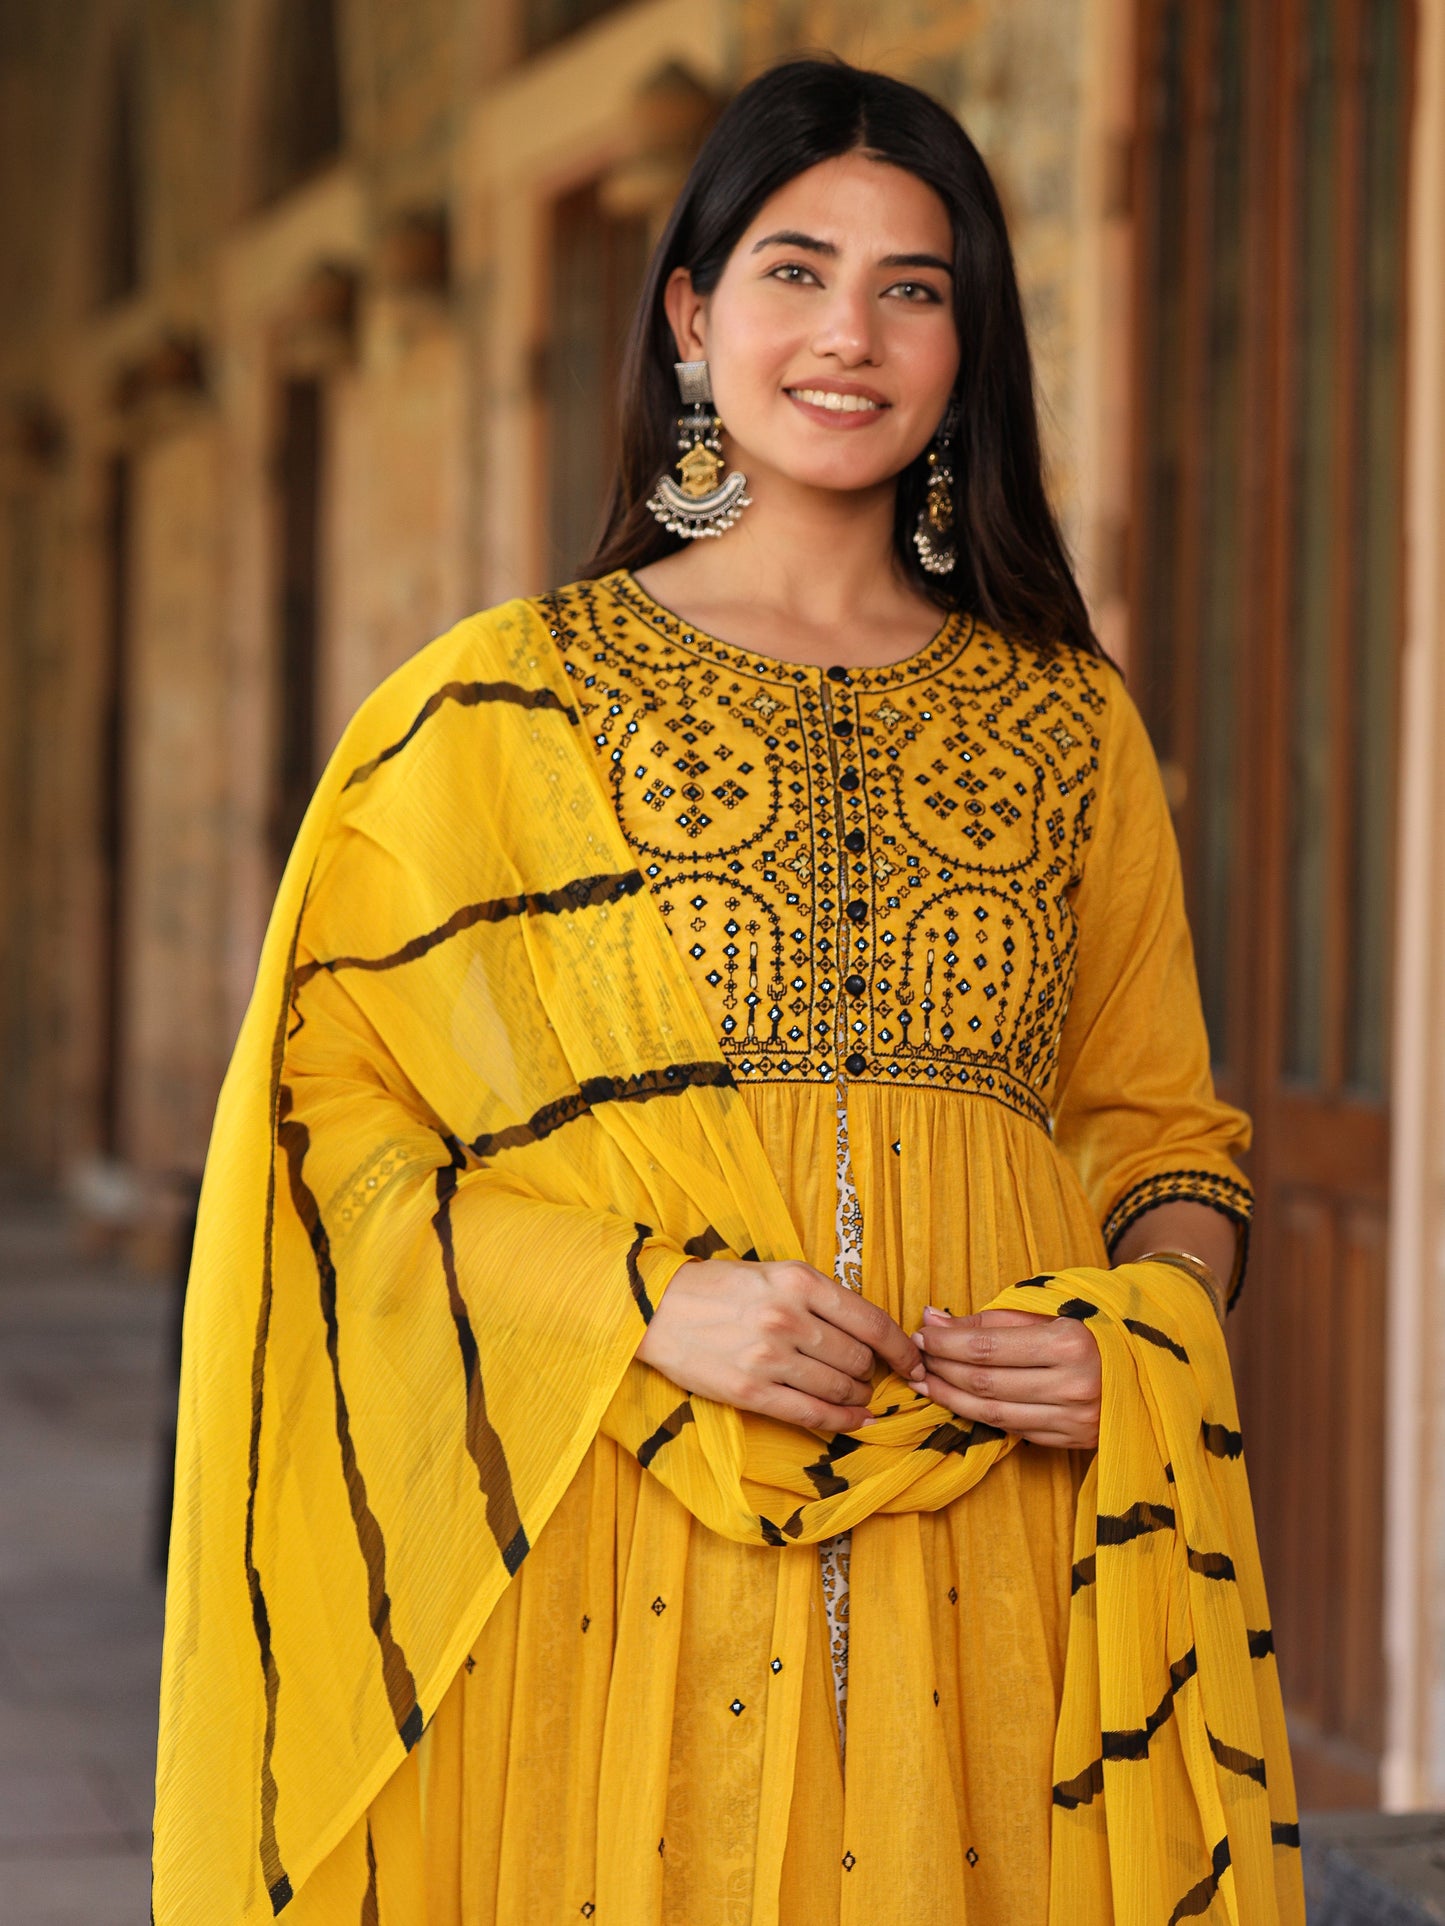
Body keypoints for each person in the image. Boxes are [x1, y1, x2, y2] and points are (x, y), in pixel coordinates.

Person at [154, 57, 1304, 1926]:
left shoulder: (1065, 717)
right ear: (691, 317)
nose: (848, 333)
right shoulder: (504, 705)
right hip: (629, 1546)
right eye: (793, 269)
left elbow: (1164, 1131)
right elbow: (331, 1136)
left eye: (911, 288)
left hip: (1006, 1557)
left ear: (965, 345)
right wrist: (636, 1307)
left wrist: (1145, 1331)